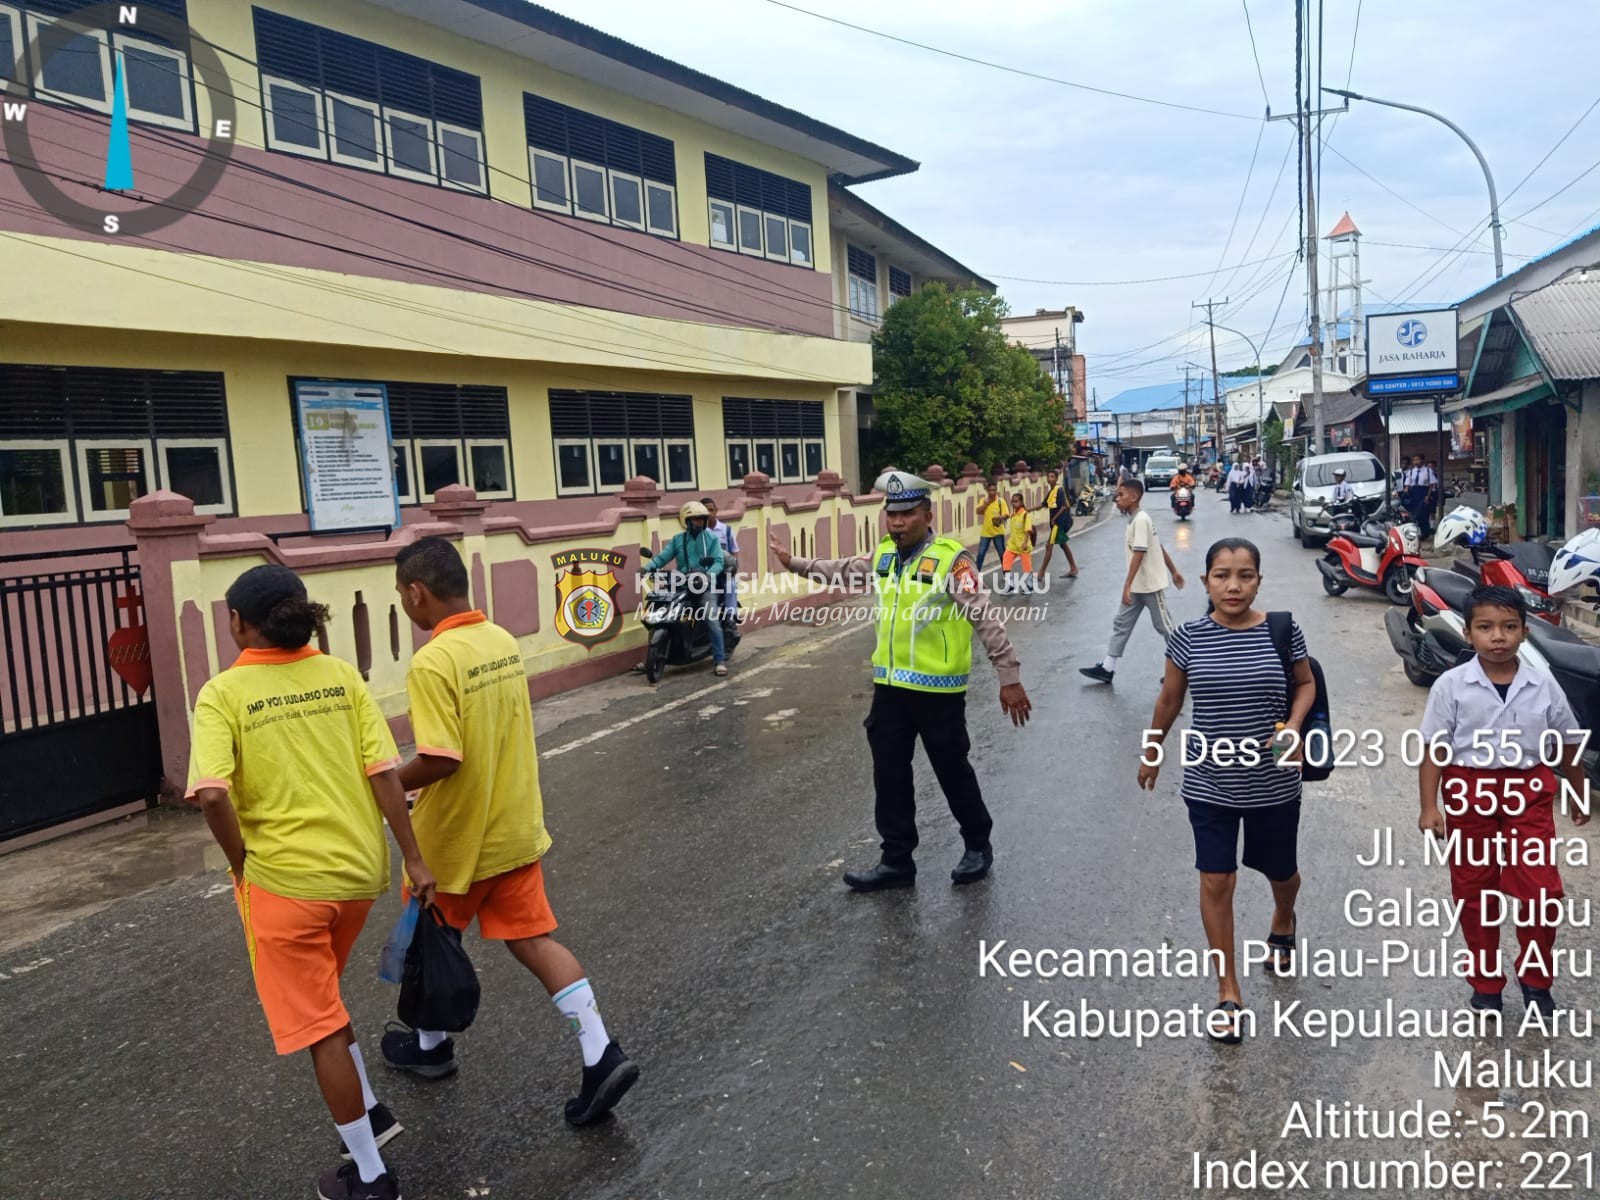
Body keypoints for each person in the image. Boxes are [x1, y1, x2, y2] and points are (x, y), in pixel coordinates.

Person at [187, 565, 437, 1200]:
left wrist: (241, 860)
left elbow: (212, 793)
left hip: (287, 886)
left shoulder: (223, 692)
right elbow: (385, 773)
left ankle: (373, 1178)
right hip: (357, 875)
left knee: (317, 1024)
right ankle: (372, 1113)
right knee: (324, 999)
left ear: (240, 623)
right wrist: (413, 858)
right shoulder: (340, 675)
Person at [383, 537, 640, 1123]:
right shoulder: (499, 639)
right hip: (514, 827)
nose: (403, 603)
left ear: (417, 592)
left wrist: (392, 782)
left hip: (454, 841)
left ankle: (431, 1047)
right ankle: (600, 1051)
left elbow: (443, 756)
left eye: (401, 594)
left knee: (426, 942)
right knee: (534, 941)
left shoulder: (433, 660)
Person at [769, 470, 1032, 891]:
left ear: (927, 514)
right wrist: (794, 563)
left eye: (907, 513)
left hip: (939, 692)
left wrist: (1009, 676)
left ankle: (978, 844)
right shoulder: (885, 557)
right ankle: (896, 861)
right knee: (890, 775)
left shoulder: (952, 560)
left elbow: (985, 616)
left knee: (952, 770)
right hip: (891, 691)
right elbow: (843, 570)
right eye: (891, 514)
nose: (896, 522)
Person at [1136, 538, 1315, 1043]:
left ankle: (1283, 918)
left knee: (1282, 873)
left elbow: (1304, 683)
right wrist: (1153, 749)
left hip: (1273, 779)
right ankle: (1228, 990)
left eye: (1244, 575)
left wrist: (1295, 725)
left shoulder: (1282, 630)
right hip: (1208, 781)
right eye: (1221, 575)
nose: (1233, 585)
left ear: (1258, 580)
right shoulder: (1188, 637)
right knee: (1217, 880)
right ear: (1206, 582)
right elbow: (1170, 697)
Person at [1417, 585, 1590, 1016]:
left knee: (1541, 893)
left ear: (1525, 632)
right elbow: (1434, 749)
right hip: (1468, 793)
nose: (1498, 637)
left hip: (1527, 794)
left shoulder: (1542, 683)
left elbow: (1568, 742)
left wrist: (1578, 790)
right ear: (1469, 633)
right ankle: (1486, 982)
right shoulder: (1451, 686)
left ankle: (1535, 980)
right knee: (1475, 893)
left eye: (1509, 627)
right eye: (1486, 628)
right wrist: (1429, 805)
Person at [1080, 478, 1186, 684]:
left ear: (1134, 497)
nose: (1116, 499)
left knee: (1165, 627)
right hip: (1137, 585)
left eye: (1121, 495)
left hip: (1149, 584)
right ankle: (1107, 668)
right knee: (1122, 623)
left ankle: (1183, 669)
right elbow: (1157, 544)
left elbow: (1140, 551)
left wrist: (1127, 584)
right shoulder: (1136, 519)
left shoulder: (1141, 520)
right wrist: (1173, 571)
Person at [642, 500, 727, 675]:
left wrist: (706, 576)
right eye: (695, 519)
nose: (699, 523)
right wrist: (647, 568)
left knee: (712, 620)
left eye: (701, 519)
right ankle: (655, 654)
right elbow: (662, 558)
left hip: (704, 586)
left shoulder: (711, 538)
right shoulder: (678, 540)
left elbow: (718, 562)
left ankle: (719, 660)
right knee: (660, 612)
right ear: (686, 521)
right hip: (681, 584)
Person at [1037, 469, 1079, 582]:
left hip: (1059, 523)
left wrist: (1054, 518)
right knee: (1063, 545)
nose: (1049, 478)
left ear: (1056, 478)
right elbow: (1043, 504)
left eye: (1052, 477)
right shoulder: (1052, 492)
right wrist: (1028, 510)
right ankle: (1073, 568)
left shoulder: (1060, 490)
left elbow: (1064, 507)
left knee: (1048, 546)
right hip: (1057, 523)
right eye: (1048, 476)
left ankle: (1041, 572)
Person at [704, 496, 740, 623]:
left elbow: (735, 551)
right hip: (705, 574)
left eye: (711, 510)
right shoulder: (699, 533)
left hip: (724, 573)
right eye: (706, 511)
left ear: (716, 511)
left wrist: (732, 568)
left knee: (731, 585)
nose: (709, 513)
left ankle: (731, 619)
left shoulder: (727, 530)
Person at [999, 491, 1035, 594]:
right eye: (1012, 502)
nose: (1014, 504)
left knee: (1026, 566)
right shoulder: (1013, 515)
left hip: (1023, 546)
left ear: (1021, 502)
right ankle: (1010, 586)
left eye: (1016, 502)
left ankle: (1029, 586)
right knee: (1006, 561)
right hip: (1013, 545)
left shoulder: (1025, 515)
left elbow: (1028, 530)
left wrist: (1024, 543)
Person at [974, 481, 1009, 571]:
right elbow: (978, 511)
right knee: (980, 554)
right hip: (985, 532)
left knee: (1002, 554)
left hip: (998, 531)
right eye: (990, 490)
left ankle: (1007, 574)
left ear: (996, 491)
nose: (992, 492)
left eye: (994, 490)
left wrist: (999, 517)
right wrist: (986, 503)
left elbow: (1006, 514)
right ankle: (976, 574)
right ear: (987, 491)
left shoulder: (1001, 501)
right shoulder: (983, 500)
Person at [1401, 455, 1438, 537]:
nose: (1416, 462)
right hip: (1414, 493)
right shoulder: (1411, 471)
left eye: (1417, 460)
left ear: (1422, 461)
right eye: (1414, 460)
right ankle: (1421, 531)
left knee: (1422, 513)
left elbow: (1431, 485)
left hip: (1424, 492)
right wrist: (1406, 488)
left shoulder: (1428, 471)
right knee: (1414, 513)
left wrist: (1427, 496)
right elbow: (1408, 482)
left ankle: (1425, 530)